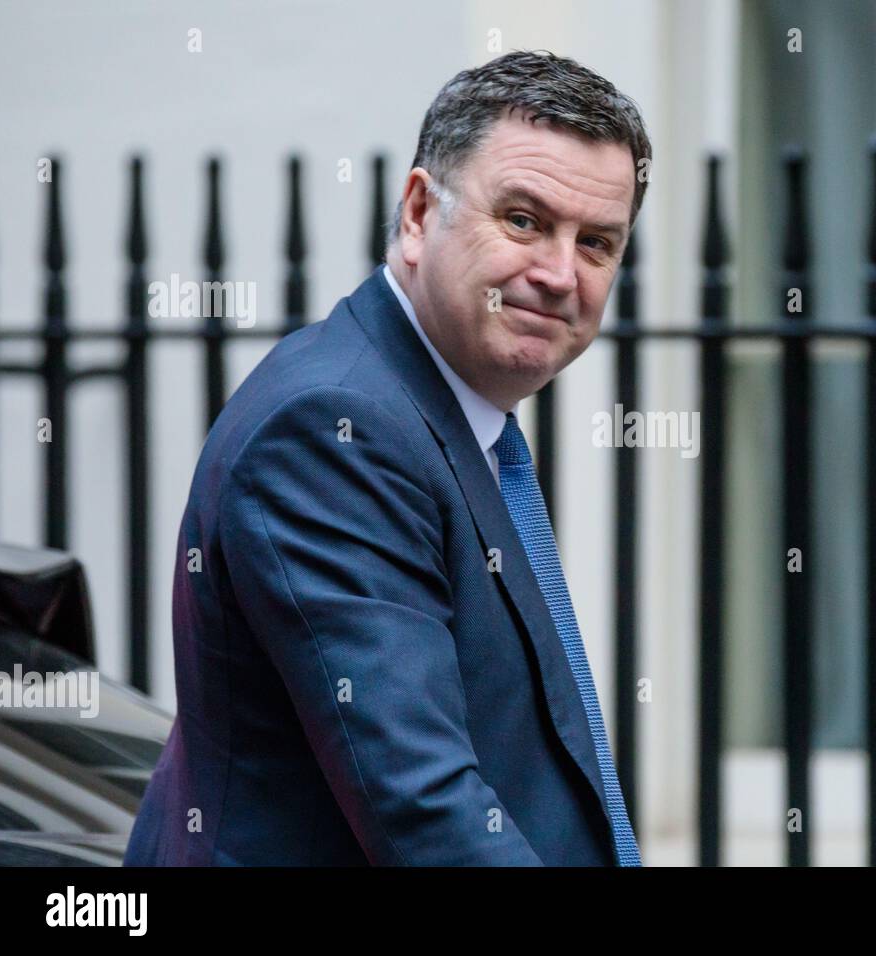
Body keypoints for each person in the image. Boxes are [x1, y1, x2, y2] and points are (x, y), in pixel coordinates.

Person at [123, 50, 651, 866]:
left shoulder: (444, 418)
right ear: (415, 214)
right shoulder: (335, 430)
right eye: (523, 219)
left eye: (597, 244)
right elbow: (426, 808)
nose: (558, 274)